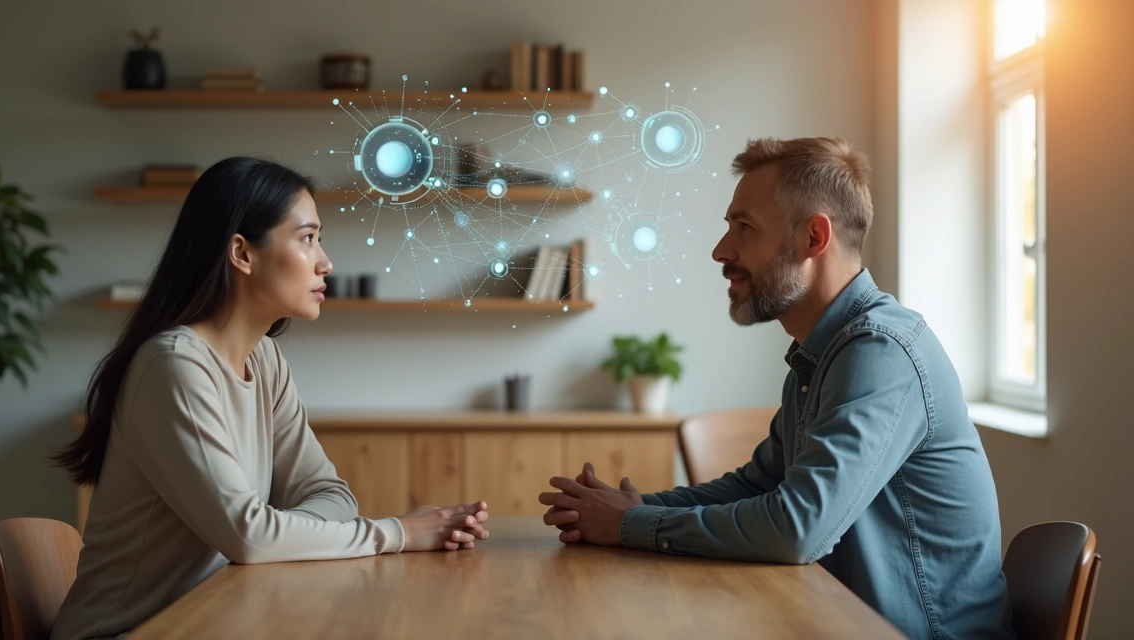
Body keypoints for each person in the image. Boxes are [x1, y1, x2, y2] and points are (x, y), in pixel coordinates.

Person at [539, 138, 1014, 639]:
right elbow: (758, 485)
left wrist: (629, 525)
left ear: (814, 237)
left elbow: (798, 528)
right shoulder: (820, 354)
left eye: (744, 228)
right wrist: (634, 509)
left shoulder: (880, 352)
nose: (721, 251)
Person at [51, 157, 489, 640]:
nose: (325, 262)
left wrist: (273, 534)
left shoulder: (264, 360)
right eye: (307, 238)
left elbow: (332, 497)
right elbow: (248, 537)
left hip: (220, 620)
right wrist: (398, 533)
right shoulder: (173, 365)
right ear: (242, 253)